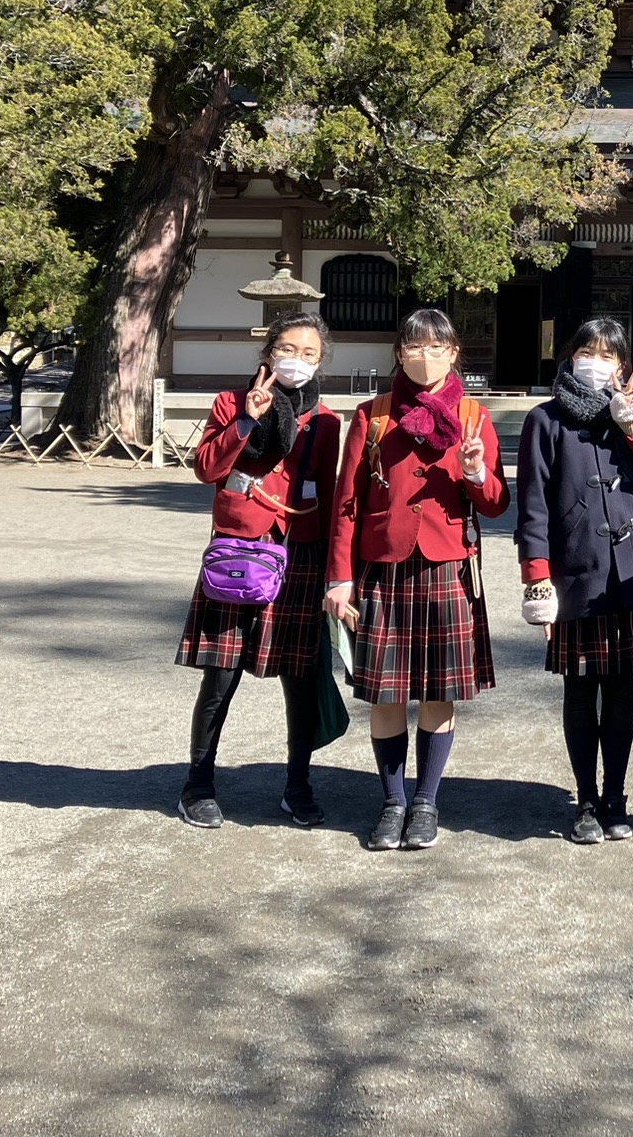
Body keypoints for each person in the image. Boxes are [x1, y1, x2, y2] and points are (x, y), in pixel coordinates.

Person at [326, 309, 511, 852]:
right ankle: (392, 802)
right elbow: (346, 503)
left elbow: (496, 504)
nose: (424, 356)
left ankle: (426, 800)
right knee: (385, 695)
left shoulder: (474, 416)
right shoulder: (373, 415)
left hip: (447, 564)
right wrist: (339, 578)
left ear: (454, 353)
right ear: (399, 353)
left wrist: (475, 472)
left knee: (437, 691)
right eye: (414, 346)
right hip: (383, 566)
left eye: (436, 346)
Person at [175, 311, 342, 829]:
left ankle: (298, 785)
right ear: (269, 352)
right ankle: (198, 785)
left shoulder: (327, 421)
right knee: (220, 675)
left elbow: (329, 494)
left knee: (300, 676)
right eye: (288, 349)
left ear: (320, 362)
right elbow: (206, 468)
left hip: (299, 555)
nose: (297, 360)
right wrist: (246, 421)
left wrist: (337, 569)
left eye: (310, 353)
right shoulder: (231, 402)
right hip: (239, 552)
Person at [515, 319, 633, 844]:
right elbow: (532, 506)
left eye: (608, 356)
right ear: (570, 357)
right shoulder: (544, 420)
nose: (595, 363)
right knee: (580, 694)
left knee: (622, 695)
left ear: (623, 367)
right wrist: (537, 580)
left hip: (629, 573)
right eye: (587, 352)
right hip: (575, 574)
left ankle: (615, 798)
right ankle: (585, 801)